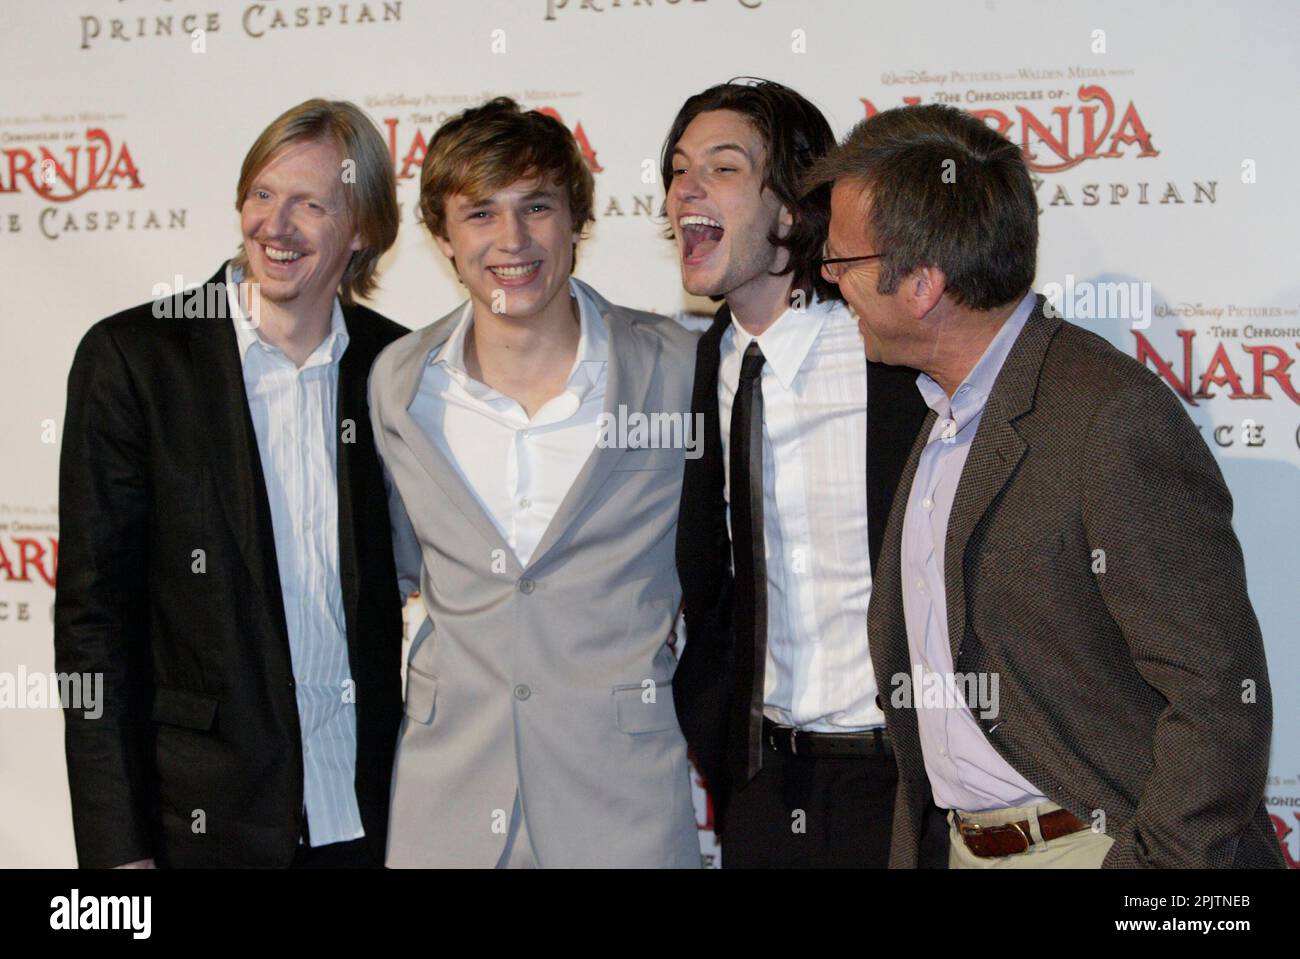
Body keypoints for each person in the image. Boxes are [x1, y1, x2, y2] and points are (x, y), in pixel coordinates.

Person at [808, 102, 1284, 868]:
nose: (831, 285)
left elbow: (1217, 694)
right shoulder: (940, 413)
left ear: (924, 283)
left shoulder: (1108, 416)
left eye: (843, 263)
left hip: (1089, 848)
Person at [55, 99, 408, 868]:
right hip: (201, 826)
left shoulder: (399, 368)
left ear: (364, 231)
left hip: (374, 820)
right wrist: (118, 853)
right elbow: (93, 628)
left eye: (311, 204)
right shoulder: (136, 359)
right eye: (262, 195)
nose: (275, 226)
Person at [370, 98, 700, 868]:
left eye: (537, 207)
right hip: (444, 801)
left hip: (623, 801)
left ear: (578, 219)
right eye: (480, 212)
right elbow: (394, 566)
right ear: (444, 236)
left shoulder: (673, 368)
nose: (511, 240)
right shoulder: (399, 384)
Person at [663, 78, 932, 868]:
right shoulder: (709, 358)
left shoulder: (884, 351)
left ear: (791, 209)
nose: (686, 188)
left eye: (723, 167)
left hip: (903, 787)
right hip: (764, 786)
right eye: (679, 168)